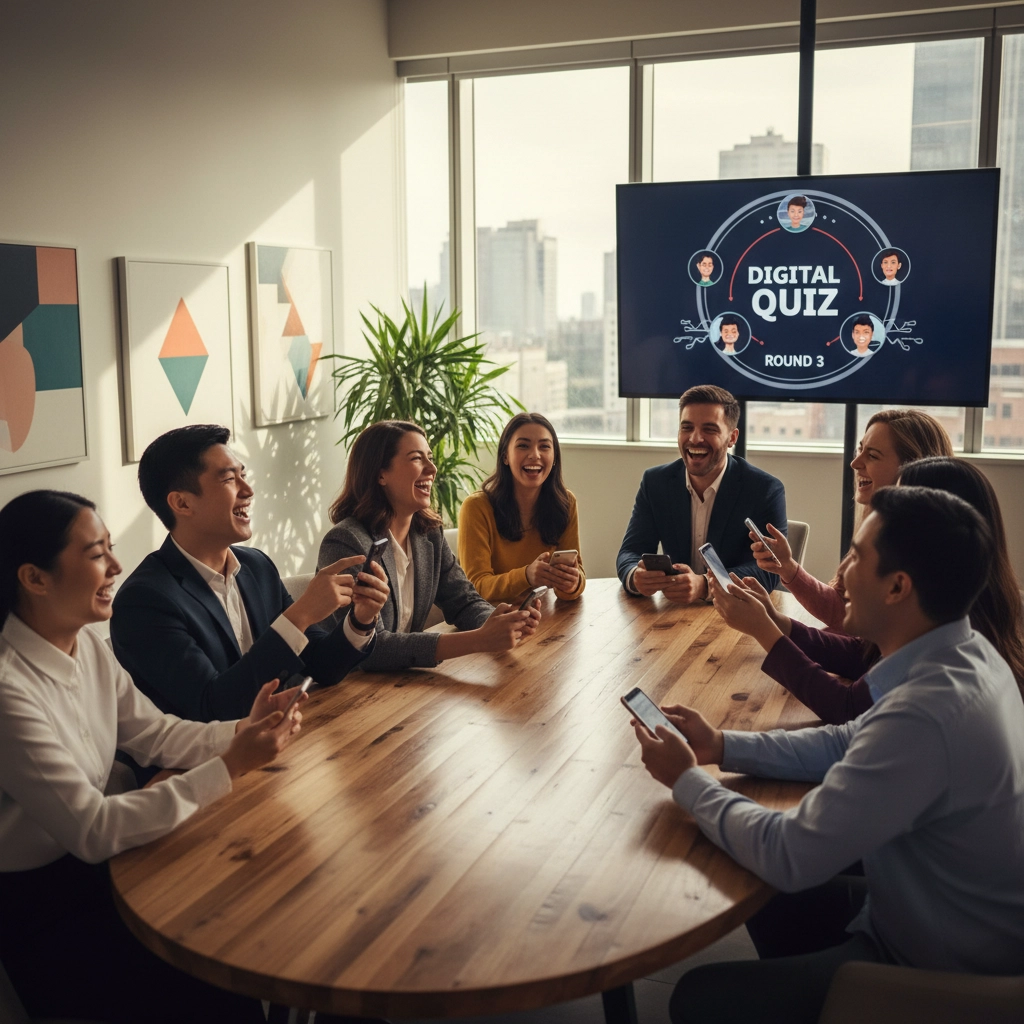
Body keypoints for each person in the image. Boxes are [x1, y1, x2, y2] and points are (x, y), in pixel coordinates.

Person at [633, 486, 1024, 1024]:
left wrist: (685, 779)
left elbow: (788, 852)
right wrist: (720, 745)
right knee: (763, 890)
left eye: (857, 555)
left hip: (932, 973)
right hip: (943, 921)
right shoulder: (966, 652)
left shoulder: (927, 716)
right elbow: (846, 739)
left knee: (697, 995)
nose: (841, 571)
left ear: (898, 587)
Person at [0, 490, 303, 1023]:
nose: (117, 566)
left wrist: (243, 729)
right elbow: (91, 830)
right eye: (96, 554)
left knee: (249, 938)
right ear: (34, 578)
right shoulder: (8, 690)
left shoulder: (86, 644)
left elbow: (156, 734)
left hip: (114, 859)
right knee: (209, 983)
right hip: (46, 902)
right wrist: (230, 764)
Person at [111, 424, 389, 722]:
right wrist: (301, 613)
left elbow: (323, 667)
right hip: (202, 764)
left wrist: (361, 619)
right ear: (182, 503)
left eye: (243, 475)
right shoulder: (144, 601)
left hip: (277, 745)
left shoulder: (256, 567)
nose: (248, 490)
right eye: (230, 479)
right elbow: (213, 706)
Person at [317, 420, 539, 671]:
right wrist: (479, 640)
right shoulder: (347, 542)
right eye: (416, 459)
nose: (432, 468)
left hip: (401, 686)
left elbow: (464, 601)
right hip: (344, 694)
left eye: (430, 458)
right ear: (380, 474)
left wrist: (502, 622)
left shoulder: (428, 535)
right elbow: (369, 647)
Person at [750, 408, 953, 631]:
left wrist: (773, 626)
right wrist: (788, 569)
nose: (855, 463)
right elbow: (843, 614)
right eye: (860, 450)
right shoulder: (880, 522)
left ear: (914, 467)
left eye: (872, 455)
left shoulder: (917, 550)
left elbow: (853, 637)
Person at [616, 384, 787, 604]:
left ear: (732, 437)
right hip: (674, 616)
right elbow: (630, 552)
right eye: (686, 427)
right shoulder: (655, 482)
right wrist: (635, 577)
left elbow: (770, 570)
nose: (695, 438)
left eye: (710, 429)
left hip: (741, 615)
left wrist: (706, 585)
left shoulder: (765, 490)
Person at [460, 412, 586, 604]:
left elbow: (577, 577)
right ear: (505, 456)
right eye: (523, 446)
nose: (535, 455)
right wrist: (526, 575)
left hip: (542, 617)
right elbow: (476, 587)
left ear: (554, 458)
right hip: (490, 621)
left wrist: (572, 583)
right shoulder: (477, 507)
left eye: (544, 446)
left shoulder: (565, 502)